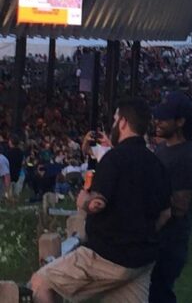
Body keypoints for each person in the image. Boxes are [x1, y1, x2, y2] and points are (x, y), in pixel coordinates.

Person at [30, 97, 170, 303]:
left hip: (106, 256)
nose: (113, 125)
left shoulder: (114, 159)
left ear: (123, 122)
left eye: (114, 120)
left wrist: (83, 201)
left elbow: (97, 203)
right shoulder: (156, 163)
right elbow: (166, 213)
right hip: (141, 261)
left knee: (41, 282)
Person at [150, 91, 192, 303]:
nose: (157, 121)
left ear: (180, 122)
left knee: (159, 295)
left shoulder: (186, 156)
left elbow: (179, 207)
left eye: (164, 118)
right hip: (155, 240)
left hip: (168, 243)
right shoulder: (162, 148)